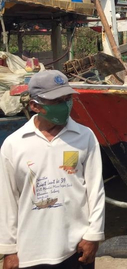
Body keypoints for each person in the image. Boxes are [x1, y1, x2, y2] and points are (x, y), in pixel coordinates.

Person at [0, 70, 105, 269]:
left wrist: (93, 235)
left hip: (76, 247)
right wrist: (10, 250)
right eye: (57, 101)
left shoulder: (85, 136)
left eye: (68, 98)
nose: (66, 105)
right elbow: (7, 201)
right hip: (30, 252)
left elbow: (95, 191)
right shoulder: (14, 145)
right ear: (34, 106)